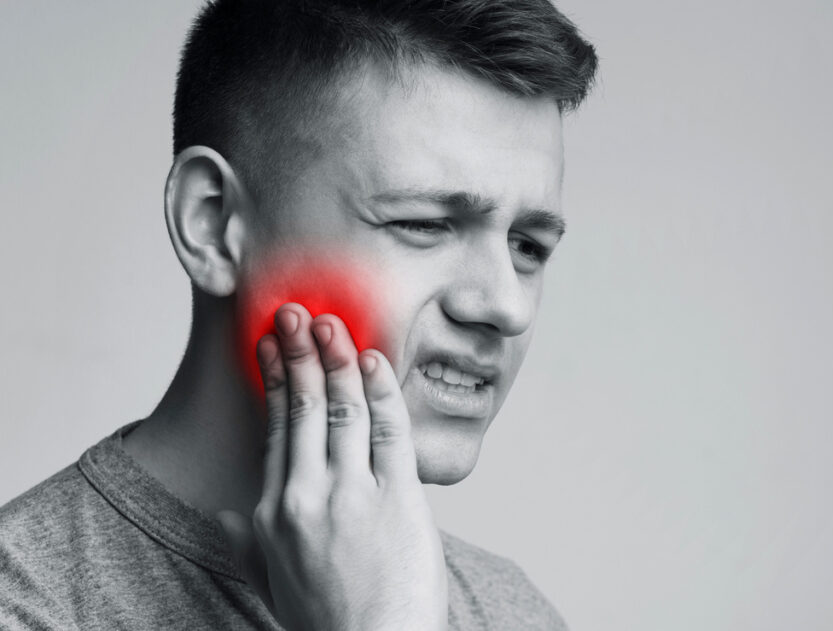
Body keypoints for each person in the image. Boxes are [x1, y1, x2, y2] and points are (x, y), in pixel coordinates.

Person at [0, 0, 597, 628]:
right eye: (424, 224)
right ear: (211, 224)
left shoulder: (516, 612)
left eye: (529, 245)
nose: (506, 305)